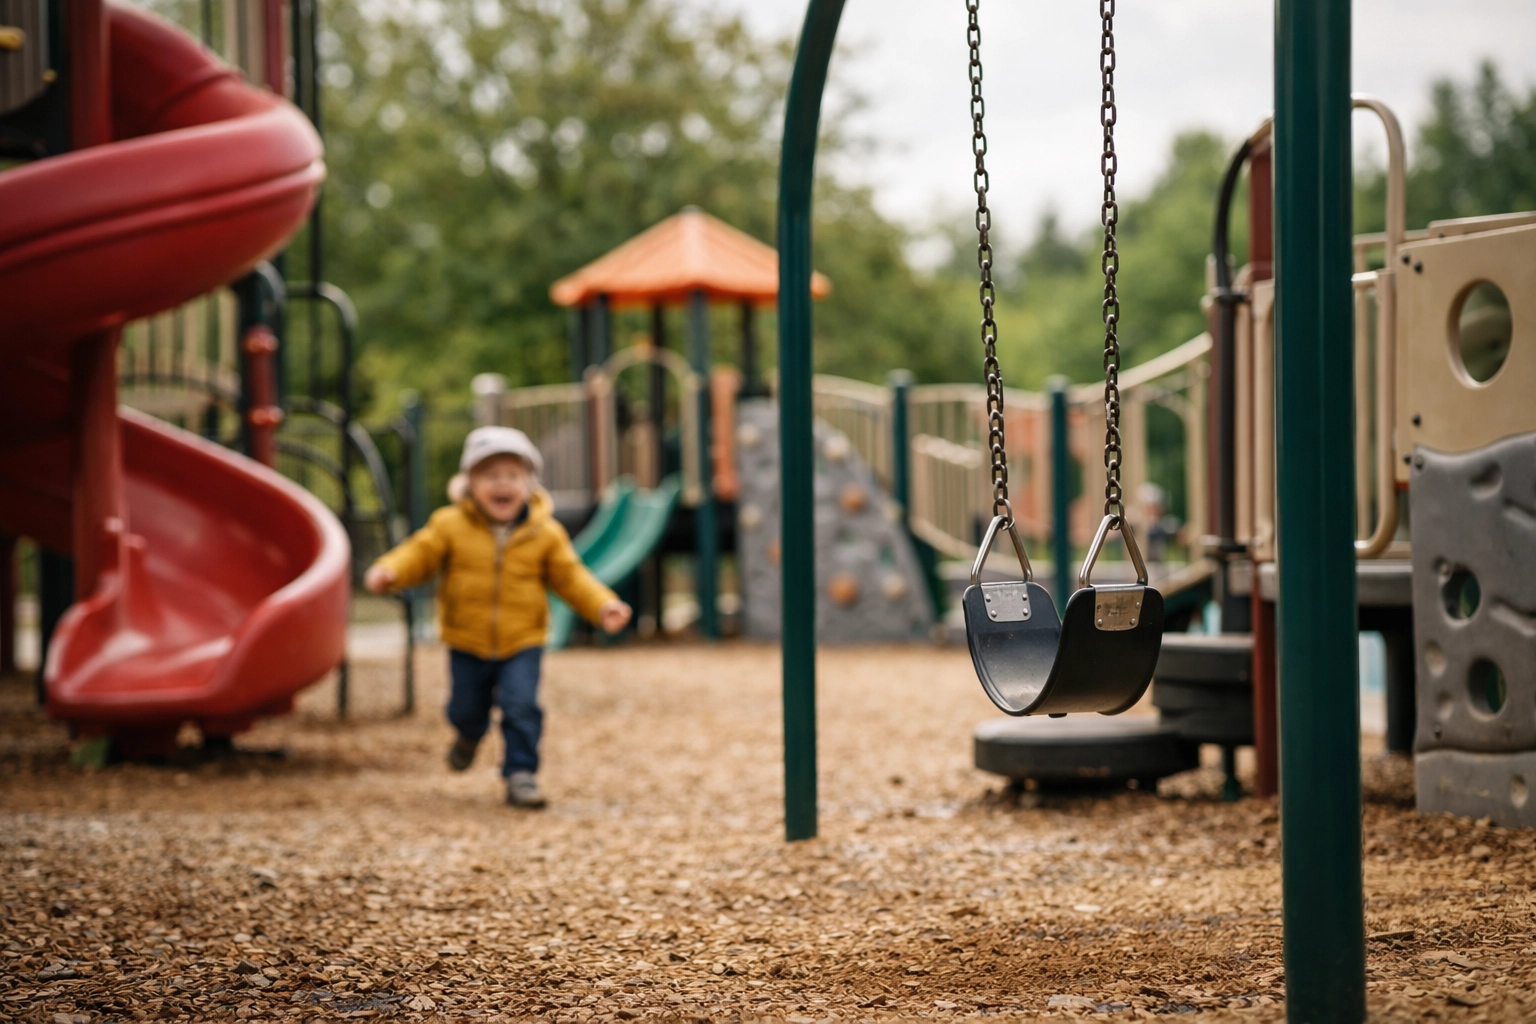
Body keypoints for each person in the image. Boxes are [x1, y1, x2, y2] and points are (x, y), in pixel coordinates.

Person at [365, 426, 631, 808]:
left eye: (512, 476)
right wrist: (390, 571)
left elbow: (572, 577)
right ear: (470, 483)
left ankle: (521, 774)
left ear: (528, 484)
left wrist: (603, 605)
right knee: (465, 710)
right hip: (466, 638)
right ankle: (468, 734)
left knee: (522, 705)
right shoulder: (449, 525)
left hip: (522, 639)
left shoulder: (545, 533)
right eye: (490, 476)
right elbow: (418, 554)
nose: (502, 484)